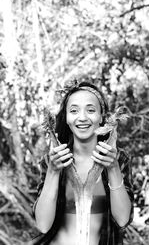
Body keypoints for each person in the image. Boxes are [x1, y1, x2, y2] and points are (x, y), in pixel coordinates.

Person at [32, 80, 134, 245]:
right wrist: (53, 172)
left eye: (91, 110)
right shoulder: (51, 161)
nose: (82, 117)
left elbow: (122, 219)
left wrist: (113, 168)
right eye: (74, 110)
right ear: (66, 118)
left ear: (102, 117)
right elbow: (43, 225)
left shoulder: (119, 159)